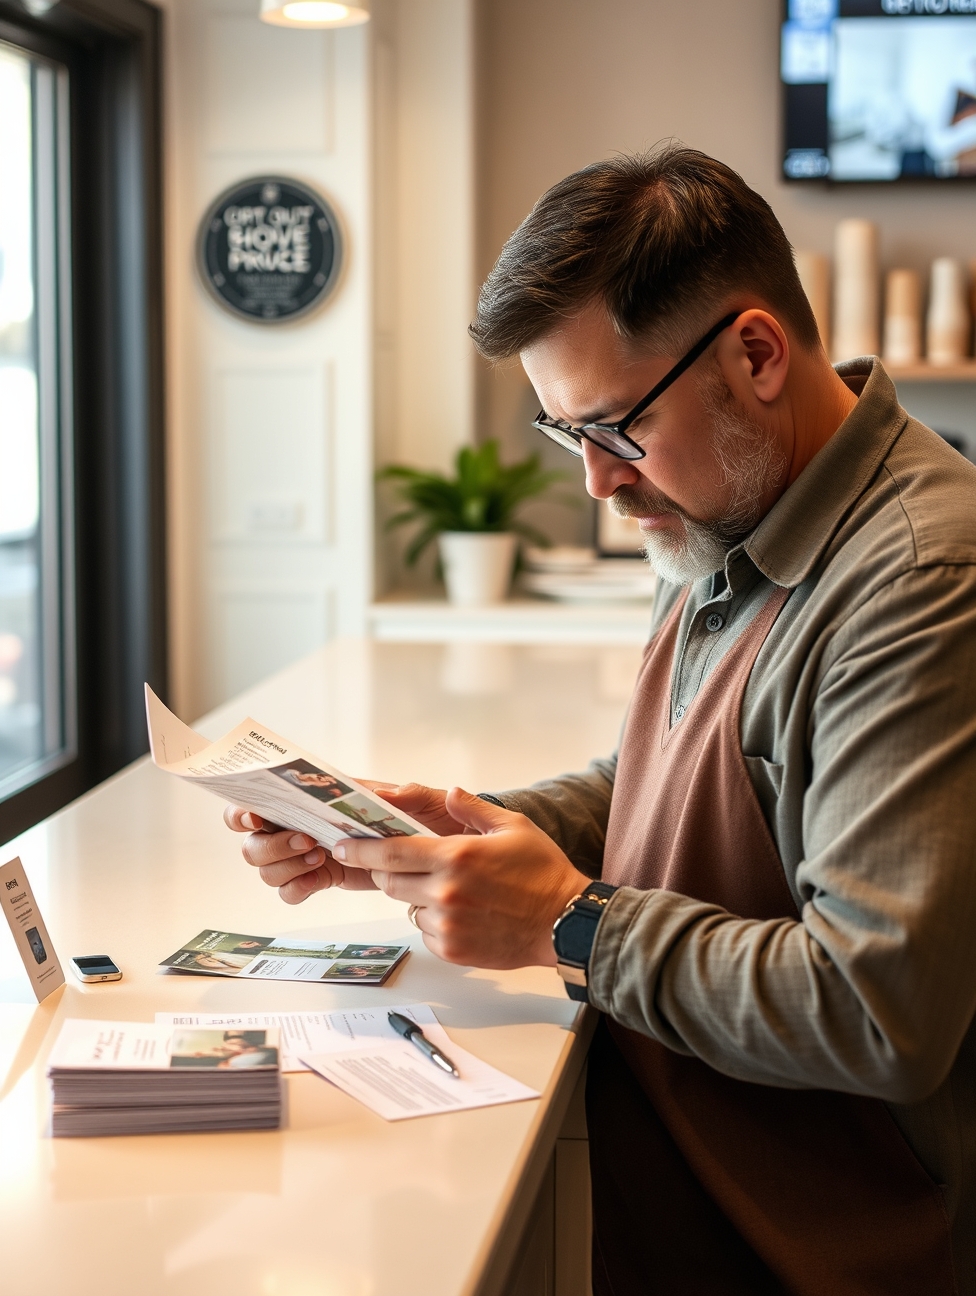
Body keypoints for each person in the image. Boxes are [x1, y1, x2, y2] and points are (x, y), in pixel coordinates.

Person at [224, 147, 976, 1294]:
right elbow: (667, 778)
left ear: (756, 353)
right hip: (698, 1190)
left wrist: (571, 926)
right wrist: (439, 834)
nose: (595, 482)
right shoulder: (728, 499)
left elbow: (877, 1013)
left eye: (614, 429)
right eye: (565, 433)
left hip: (834, 1239)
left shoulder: (920, 579)